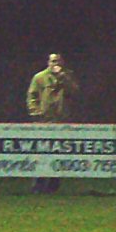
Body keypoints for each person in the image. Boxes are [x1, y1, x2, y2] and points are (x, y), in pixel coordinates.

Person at [26, 53, 80, 194]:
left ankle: (53, 186)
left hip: (62, 120)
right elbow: (32, 96)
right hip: (44, 120)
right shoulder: (39, 77)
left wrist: (63, 77)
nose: (56, 64)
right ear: (48, 62)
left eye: (58, 61)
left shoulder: (68, 76)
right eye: (53, 61)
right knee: (42, 153)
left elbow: (74, 91)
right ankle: (38, 185)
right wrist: (35, 112)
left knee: (59, 154)